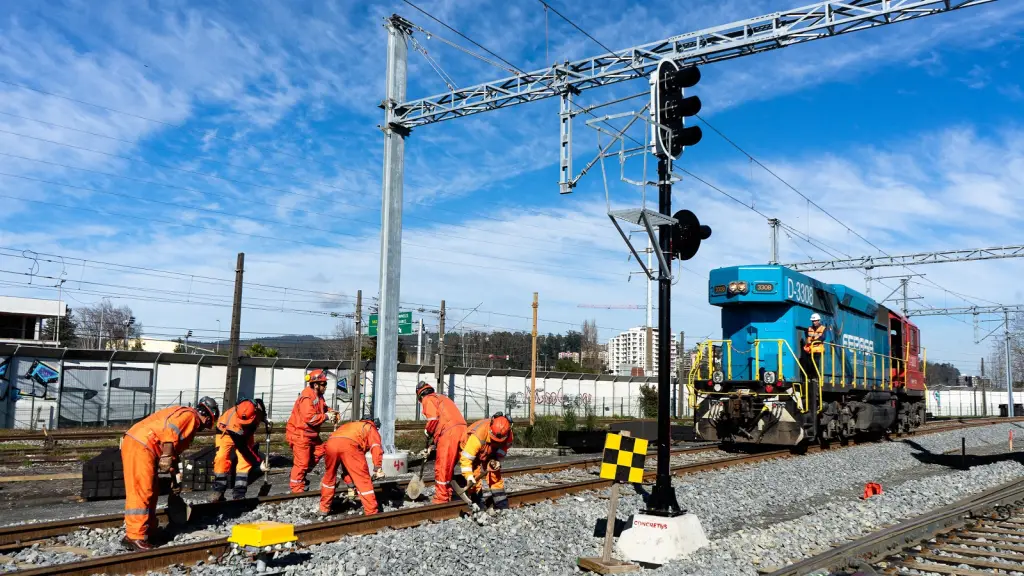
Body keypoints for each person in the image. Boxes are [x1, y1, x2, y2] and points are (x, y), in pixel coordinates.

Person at [120, 397, 220, 551]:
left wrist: (175, 477)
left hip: (145, 446)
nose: (205, 428)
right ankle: (134, 536)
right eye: (208, 424)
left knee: (151, 491)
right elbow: (171, 431)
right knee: (141, 491)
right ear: (207, 417)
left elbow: (173, 449)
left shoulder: (186, 417)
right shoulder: (190, 416)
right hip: (141, 445)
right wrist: (166, 455)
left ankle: (148, 531)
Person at [286, 368, 340, 493]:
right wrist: (327, 416)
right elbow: (310, 418)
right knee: (302, 463)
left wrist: (330, 411)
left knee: (321, 449)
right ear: (315, 385)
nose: (325, 386)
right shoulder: (307, 397)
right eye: (323, 384)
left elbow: (323, 407)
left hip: (310, 434)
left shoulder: (318, 396)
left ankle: (301, 474)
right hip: (300, 434)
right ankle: (297, 489)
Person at [319, 417, 385, 516]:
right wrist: (377, 466)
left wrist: (350, 483)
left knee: (329, 477)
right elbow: (376, 447)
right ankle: (371, 511)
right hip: (350, 445)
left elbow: (346, 463)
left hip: (330, 444)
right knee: (363, 479)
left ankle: (324, 508)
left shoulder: (350, 425)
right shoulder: (370, 427)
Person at [416, 381, 466, 504]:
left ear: (420, 395)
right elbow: (443, 422)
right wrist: (433, 445)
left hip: (449, 433)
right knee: (455, 465)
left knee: (442, 466)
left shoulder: (428, 399)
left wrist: (427, 432)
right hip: (462, 430)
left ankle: (441, 498)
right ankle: (464, 492)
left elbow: (433, 420)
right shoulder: (443, 398)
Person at [210, 397, 268, 502]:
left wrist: (264, 418)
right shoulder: (233, 423)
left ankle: (239, 493)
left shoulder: (257, 409)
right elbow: (243, 448)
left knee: (245, 462)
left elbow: (260, 405)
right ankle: (218, 490)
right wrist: (258, 463)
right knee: (221, 458)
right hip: (226, 431)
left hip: (245, 433)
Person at [456, 413, 513, 510]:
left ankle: (501, 504)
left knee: (495, 473)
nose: (497, 441)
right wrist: (468, 476)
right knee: (474, 475)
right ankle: (477, 500)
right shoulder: (478, 435)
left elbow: (502, 450)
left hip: (488, 450)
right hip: (469, 448)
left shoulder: (508, 435)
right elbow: (466, 459)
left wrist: (496, 461)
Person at [802, 312, 828, 380]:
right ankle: (809, 377)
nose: (814, 322)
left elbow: (823, 338)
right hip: (809, 349)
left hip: (818, 349)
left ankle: (815, 377)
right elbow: (807, 336)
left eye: (815, 321)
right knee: (808, 363)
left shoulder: (823, 328)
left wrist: (813, 341)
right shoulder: (809, 328)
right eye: (812, 321)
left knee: (815, 363)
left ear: (819, 320)